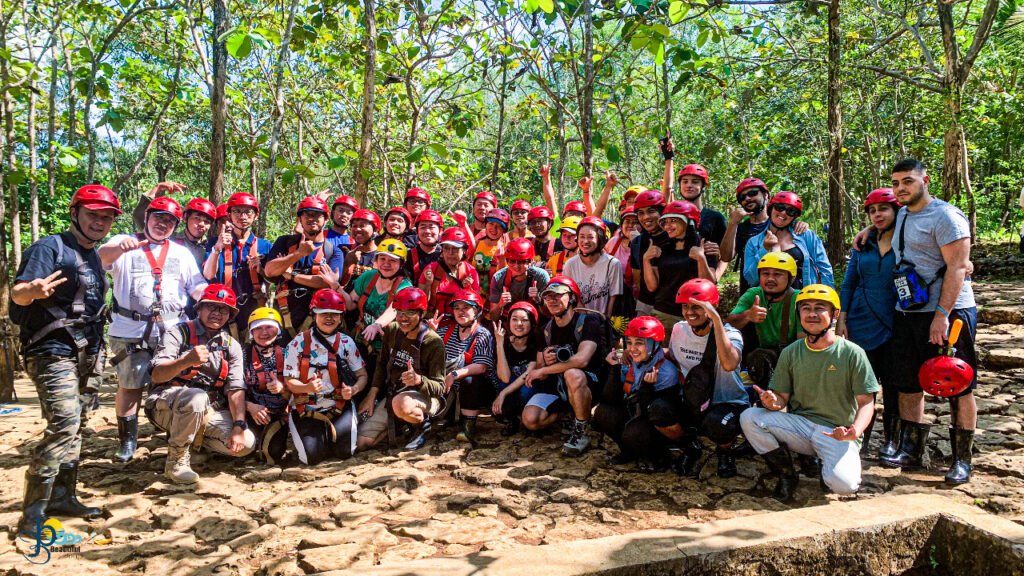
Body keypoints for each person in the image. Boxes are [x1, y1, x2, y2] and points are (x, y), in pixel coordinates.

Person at [13, 185, 121, 535]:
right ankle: (33, 511)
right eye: (93, 215)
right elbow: (17, 294)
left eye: (106, 218)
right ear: (76, 213)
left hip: (87, 351)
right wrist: (33, 291)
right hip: (51, 349)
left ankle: (63, 495)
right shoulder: (49, 248)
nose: (100, 222)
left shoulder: (91, 255)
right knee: (63, 423)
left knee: (78, 425)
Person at [878, 159, 978, 486]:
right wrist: (869, 230)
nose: (901, 188)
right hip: (908, 311)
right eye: (895, 183)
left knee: (957, 383)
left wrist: (942, 315)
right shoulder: (903, 213)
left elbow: (958, 268)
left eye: (907, 181)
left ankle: (962, 459)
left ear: (925, 180)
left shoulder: (947, 217)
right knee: (908, 381)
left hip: (948, 313)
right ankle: (912, 448)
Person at [740, 285, 878, 500]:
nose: (812, 314)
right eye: (806, 308)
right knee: (750, 417)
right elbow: (780, 400)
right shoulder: (791, 352)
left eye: (820, 308)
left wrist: (855, 431)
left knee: (845, 486)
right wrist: (771, 401)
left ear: (834, 314)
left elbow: (866, 402)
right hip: (801, 427)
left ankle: (826, 465)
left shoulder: (852, 353)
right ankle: (786, 474)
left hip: (836, 432)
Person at [100, 195, 208, 463]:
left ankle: (171, 431)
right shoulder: (124, 243)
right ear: (146, 217)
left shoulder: (181, 253)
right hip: (131, 327)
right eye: (158, 217)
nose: (163, 224)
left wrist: (214, 298)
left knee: (174, 379)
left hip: (172, 328)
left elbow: (196, 286)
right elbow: (100, 258)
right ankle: (128, 440)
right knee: (131, 382)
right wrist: (121, 249)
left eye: (170, 220)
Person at [147, 284, 257, 483]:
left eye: (224, 309)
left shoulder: (232, 346)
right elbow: (157, 375)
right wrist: (185, 361)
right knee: (196, 397)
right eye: (212, 307)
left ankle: (196, 444)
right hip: (167, 405)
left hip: (209, 409)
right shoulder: (178, 333)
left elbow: (235, 390)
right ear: (199, 308)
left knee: (246, 444)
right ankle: (176, 460)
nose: (217, 313)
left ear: (230, 315)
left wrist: (239, 427)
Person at [837, 189, 900, 457]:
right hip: (862, 320)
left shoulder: (908, 238)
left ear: (897, 211)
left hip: (898, 318)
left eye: (883, 209)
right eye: (872, 211)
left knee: (895, 383)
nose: (877, 215)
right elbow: (849, 282)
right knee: (864, 385)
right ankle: (860, 437)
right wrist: (841, 317)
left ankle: (893, 441)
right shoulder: (863, 244)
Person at [668, 279, 750, 478]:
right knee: (658, 410)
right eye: (685, 307)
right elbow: (672, 358)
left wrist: (716, 321)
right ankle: (690, 446)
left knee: (716, 423)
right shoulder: (679, 329)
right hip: (695, 398)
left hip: (727, 401)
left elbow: (729, 363)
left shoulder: (731, 335)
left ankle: (725, 451)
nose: (690, 312)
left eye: (697, 307)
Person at [522, 276, 609, 456]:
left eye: (558, 296)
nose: (552, 301)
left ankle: (581, 430)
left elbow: (582, 360)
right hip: (557, 388)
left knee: (573, 374)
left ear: (571, 297)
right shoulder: (545, 330)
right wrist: (545, 361)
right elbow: (541, 373)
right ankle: (569, 415)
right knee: (530, 420)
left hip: (588, 384)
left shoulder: (588, 322)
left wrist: (544, 369)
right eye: (548, 297)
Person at [282, 289, 368, 465]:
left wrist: (353, 390)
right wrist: (307, 388)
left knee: (345, 452)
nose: (329, 318)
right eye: (323, 314)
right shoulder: (298, 343)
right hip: (307, 408)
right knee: (311, 457)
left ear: (341, 317)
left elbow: (362, 375)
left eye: (334, 314)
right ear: (314, 315)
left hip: (338, 405)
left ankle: (328, 433)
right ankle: (316, 434)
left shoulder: (346, 343)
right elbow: (289, 381)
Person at [357, 288, 447, 451]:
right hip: (394, 393)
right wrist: (372, 394)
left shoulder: (433, 343)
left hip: (424, 396)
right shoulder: (392, 330)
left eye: (410, 313)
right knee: (362, 442)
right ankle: (401, 423)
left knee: (402, 404)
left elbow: (440, 388)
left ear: (422, 313)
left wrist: (419, 380)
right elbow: (382, 363)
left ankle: (422, 425)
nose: (403, 318)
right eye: (399, 312)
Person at [593, 316, 684, 471]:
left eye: (640, 343)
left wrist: (647, 387)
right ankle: (628, 451)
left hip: (655, 420)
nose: (632, 349)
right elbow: (609, 398)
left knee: (635, 433)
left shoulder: (666, 372)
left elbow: (654, 412)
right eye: (630, 342)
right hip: (636, 410)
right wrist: (614, 368)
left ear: (655, 345)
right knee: (602, 413)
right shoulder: (629, 361)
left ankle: (660, 455)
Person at [264, 196, 343, 338]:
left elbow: (327, 282)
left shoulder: (333, 251)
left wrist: (290, 275)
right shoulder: (285, 242)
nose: (311, 218)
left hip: (316, 320)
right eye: (307, 214)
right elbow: (270, 271)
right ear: (300, 219)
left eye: (317, 215)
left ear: (325, 219)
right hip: (284, 315)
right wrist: (298, 254)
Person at [726, 253, 802, 388]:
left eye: (778, 274)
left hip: (794, 356)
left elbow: (804, 342)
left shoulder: (799, 299)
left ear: (791, 278)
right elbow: (730, 323)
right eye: (765, 274)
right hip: (764, 356)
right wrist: (748, 315)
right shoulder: (753, 294)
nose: (770, 279)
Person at [203, 192, 273, 338]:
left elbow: (274, 280)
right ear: (229, 215)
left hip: (253, 308)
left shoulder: (265, 246)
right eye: (237, 211)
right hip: (222, 310)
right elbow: (209, 274)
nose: (243, 216)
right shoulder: (215, 243)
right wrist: (217, 248)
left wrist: (260, 269)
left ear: (256, 215)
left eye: (248, 212)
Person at [642, 200, 713, 341]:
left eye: (673, 221)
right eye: (665, 222)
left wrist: (701, 259)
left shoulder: (705, 246)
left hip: (694, 315)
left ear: (689, 222)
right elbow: (652, 286)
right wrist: (646, 260)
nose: (668, 226)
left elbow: (709, 284)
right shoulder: (661, 248)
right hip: (663, 313)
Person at [435, 290, 496, 445]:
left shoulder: (483, 334)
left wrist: (454, 374)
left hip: (478, 389)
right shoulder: (444, 332)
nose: (461, 312)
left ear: (476, 311)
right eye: (457, 308)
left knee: (470, 380)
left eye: (466, 308)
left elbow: (482, 366)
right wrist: (429, 333)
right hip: (449, 389)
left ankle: (468, 425)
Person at [659, 145, 728, 277]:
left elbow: (726, 254)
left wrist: (717, 274)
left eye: (695, 182)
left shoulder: (715, 217)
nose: (689, 185)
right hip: (673, 278)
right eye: (685, 182)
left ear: (703, 186)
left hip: (702, 279)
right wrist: (669, 158)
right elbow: (666, 190)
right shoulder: (673, 215)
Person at [743, 192, 833, 290]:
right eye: (779, 207)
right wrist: (764, 249)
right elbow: (751, 279)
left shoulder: (806, 236)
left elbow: (824, 268)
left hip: (804, 300)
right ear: (771, 209)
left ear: (794, 216)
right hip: (771, 302)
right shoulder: (753, 243)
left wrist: (828, 298)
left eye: (791, 211)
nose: (783, 213)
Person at [242, 307, 291, 464]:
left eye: (269, 327)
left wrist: (284, 390)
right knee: (242, 448)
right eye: (258, 328)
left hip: (280, 413)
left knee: (272, 454)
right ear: (251, 332)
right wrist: (249, 406)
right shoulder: (242, 355)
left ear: (278, 329)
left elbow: (302, 389)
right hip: (250, 411)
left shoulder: (289, 352)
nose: (264, 332)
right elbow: (229, 389)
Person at [132, 182, 213, 267]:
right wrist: (156, 189)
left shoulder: (210, 247)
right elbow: (141, 217)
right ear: (185, 217)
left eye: (207, 222)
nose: (201, 224)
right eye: (197, 218)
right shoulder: (169, 237)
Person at [492, 302, 543, 436]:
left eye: (524, 320)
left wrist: (503, 394)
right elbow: (504, 377)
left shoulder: (537, 342)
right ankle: (512, 420)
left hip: (528, 383)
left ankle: (527, 419)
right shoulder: (504, 342)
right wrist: (499, 344)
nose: (519, 324)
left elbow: (528, 373)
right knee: (504, 385)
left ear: (532, 323)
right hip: (511, 382)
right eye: (514, 319)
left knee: (527, 389)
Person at [564, 216, 622, 318]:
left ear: (600, 240)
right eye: (582, 236)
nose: (585, 241)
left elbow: (613, 297)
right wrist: (586, 320)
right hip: (579, 320)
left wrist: (605, 322)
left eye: (590, 237)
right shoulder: (570, 265)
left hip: (605, 319)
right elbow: (572, 296)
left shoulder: (613, 264)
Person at [420, 227, 480, 317]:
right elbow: (420, 303)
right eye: (447, 248)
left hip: (460, 323)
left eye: (455, 249)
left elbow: (476, 307)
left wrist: (468, 289)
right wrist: (428, 283)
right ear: (442, 250)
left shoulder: (470, 271)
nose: (450, 253)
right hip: (433, 320)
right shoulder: (432, 269)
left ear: (464, 250)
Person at [629, 190, 671, 316]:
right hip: (645, 304)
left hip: (671, 307)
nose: (646, 217)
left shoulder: (674, 238)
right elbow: (637, 278)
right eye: (641, 213)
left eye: (651, 211)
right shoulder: (637, 242)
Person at [489, 237, 549, 321]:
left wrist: (539, 300)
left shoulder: (541, 276)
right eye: (512, 261)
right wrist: (500, 304)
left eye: (521, 262)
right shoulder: (499, 278)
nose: (516, 266)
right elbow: (493, 317)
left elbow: (549, 313)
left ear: (530, 262)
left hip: (535, 322)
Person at [472, 207, 509, 299]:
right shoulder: (477, 244)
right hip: (474, 294)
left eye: (499, 226)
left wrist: (501, 258)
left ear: (503, 230)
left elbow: (503, 278)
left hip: (493, 297)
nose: (494, 228)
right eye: (491, 224)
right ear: (486, 224)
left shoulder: (505, 249)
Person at [340, 209, 381, 286]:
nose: (357, 229)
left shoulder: (382, 256)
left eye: (362, 225)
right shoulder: (342, 250)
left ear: (375, 230)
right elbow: (333, 280)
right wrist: (346, 263)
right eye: (354, 226)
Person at [406, 209, 443, 281]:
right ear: (417, 231)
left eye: (431, 227)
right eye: (423, 227)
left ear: (440, 231)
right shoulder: (408, 256)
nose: (427, 231)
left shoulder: (446, 255)